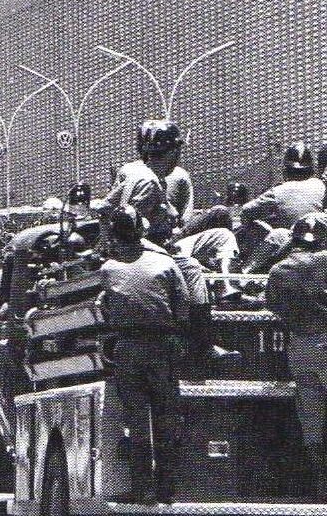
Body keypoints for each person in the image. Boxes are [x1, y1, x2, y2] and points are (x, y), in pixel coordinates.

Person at [96, 119, 239, 362]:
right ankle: (203, 345)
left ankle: (228, 288)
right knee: (191, 268)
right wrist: (158, 252)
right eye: (177, 150)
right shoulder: (149, 182)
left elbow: (103, 208)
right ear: (171, 152)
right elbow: (129, 228)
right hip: (148, 250)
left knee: (221, 236)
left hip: (161, 243)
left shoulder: (140, 174)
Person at [99, 205, 187, 505]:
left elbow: (106, 308)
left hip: (128, 348)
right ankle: (167, 488)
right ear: (142, 231)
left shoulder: (108, 269)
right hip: (162, 345)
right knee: (166, 417)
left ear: (114, 234)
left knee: (137, 421)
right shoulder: (166, 263)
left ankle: (143, 489)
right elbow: (183, 305)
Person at [267, 212, 327, 500]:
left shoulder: (280, 269)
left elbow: (273, 306)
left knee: (312, 421)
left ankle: (322, 487)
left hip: (301, 345)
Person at [239, 142, 325, 272]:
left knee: (275, 233)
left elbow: (245, 212)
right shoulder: (321, 186)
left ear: (285, 170)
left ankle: (246, 273)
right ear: (311, 169)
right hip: (320, 247)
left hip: (292, 247)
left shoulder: (278, 191)